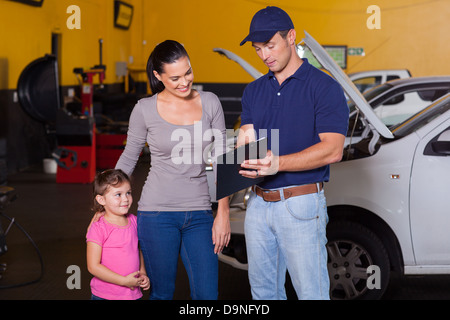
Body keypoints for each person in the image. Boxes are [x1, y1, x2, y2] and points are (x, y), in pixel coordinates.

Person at [237, 6, 349, 300]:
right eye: (257, 49)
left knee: (311, 293)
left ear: (291, 36)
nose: (264, 55)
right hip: (258, 206)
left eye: (270, 45)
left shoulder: (324, 87)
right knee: (263, 294)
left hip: (301, 205)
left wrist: (279, 164)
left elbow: (333, 150)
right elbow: (246, 142)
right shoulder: (253, 91)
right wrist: (233, 153)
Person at [115, 40, 230, 300]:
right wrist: (107, 202)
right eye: (175, 77)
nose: (184, 82)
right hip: (156, 214)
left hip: (200, 213)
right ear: (158, 76)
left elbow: (224, 159)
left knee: (207, 295)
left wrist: (222, 212)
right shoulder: (144, 109)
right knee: (161, 294)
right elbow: (129, 157)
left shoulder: (210, 102)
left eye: (188, 72)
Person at [86, 169, 150, 300]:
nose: (125, 199)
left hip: (132, 294)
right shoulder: (98, 228)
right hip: (105, 295)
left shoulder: (134, 221)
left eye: (128, 193)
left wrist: (142, 272)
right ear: (101, 199)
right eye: (118, 194)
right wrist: (123, 281)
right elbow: (93, 266)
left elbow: (138, 249)